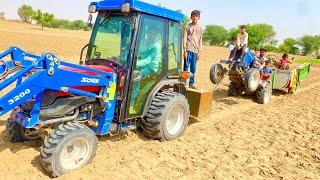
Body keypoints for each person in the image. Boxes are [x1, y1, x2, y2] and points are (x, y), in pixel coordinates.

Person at [129, 25, 162, 114]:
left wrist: (134, 63)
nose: (152, 35)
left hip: (150, 68)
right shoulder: (143, 42)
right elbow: (138, 54)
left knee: (136, 76)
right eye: (151, 33)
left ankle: (131, 103)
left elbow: (148, 60)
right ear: (148, 33)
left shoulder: (156, 46)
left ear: (156, 35)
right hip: (140, 64)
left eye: (154, 34)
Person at [183, 10, 203, 89]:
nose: (195, 17)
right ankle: (184, 82)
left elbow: (200, 40)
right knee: (185, 67)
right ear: (191, 17)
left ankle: (191, 83)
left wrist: (199, 51)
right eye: (193, 16)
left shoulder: (200, 28)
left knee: (193, 68)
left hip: (195, 50)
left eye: (196, 16)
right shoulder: (187, 26)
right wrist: (184, 50)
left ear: (199, 18)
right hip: (188, 49)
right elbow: (184, 38)